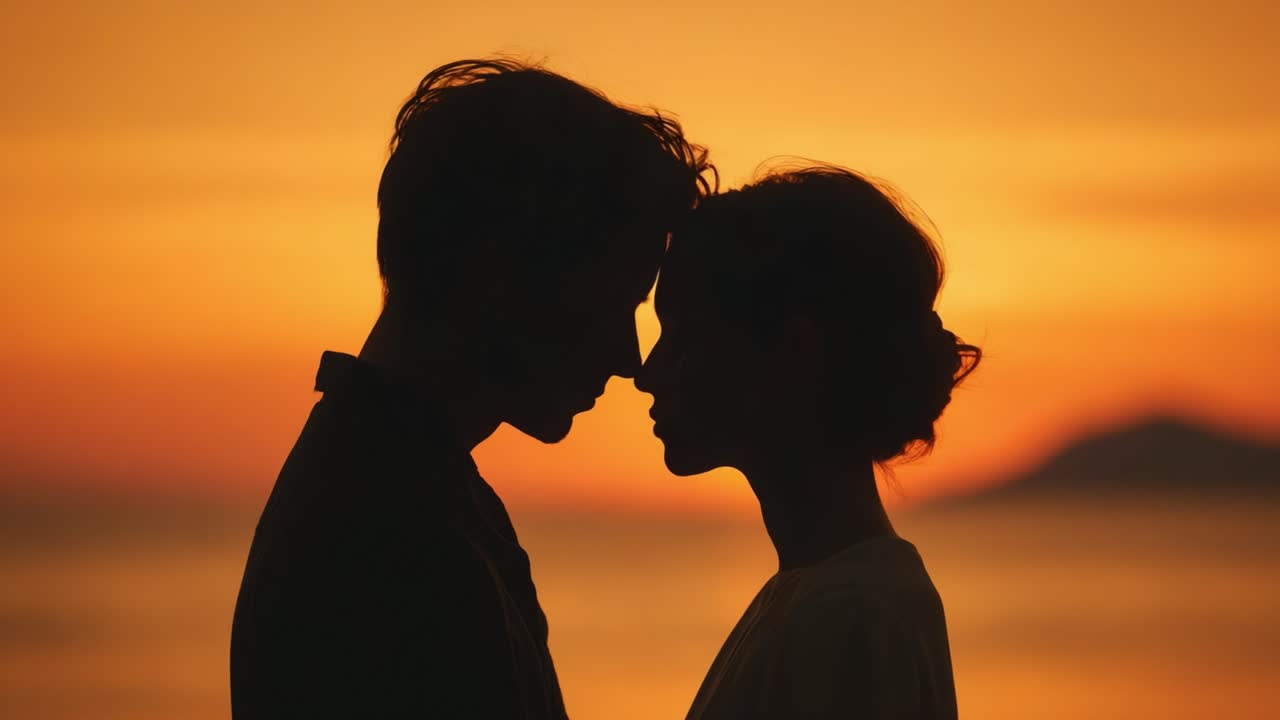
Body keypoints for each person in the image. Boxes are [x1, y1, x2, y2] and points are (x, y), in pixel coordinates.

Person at [230, 58, 713, 719]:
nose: (628, 360)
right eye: (615, 304)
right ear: (505, 273)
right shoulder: (390, 544)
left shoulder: (411, 490)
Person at [636, 165, 980, 719]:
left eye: (682, 337)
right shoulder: (827, 595)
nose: (647, 373)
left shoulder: (849, 617)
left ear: (791, 355)